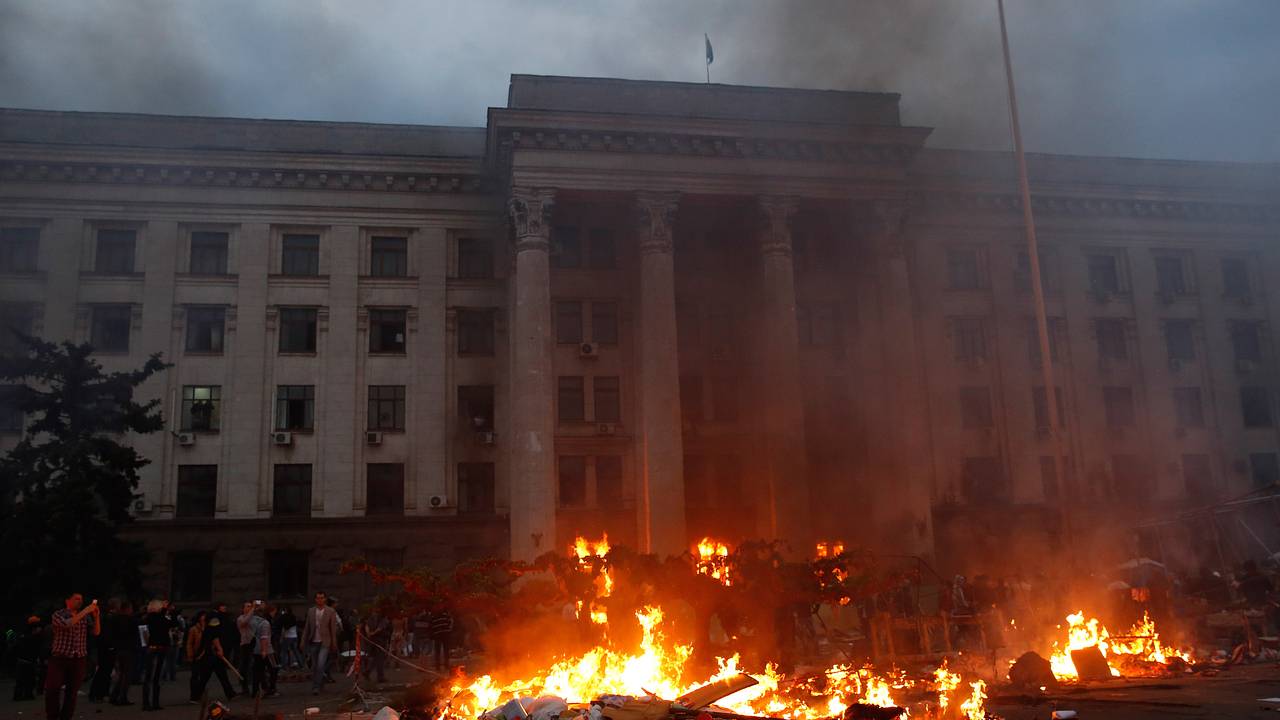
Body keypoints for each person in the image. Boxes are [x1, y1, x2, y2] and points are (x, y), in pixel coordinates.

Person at [45, 592, 101, 720]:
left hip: (78, 658)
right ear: (67, 600)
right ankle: (52, 716)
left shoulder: (85, 616)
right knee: (53, 689)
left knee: (72, 692)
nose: (80, 601)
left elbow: (96, 632)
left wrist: (96, 617)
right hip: (60, 658)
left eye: (81, 599)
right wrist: (86, 611)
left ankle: (66, 717)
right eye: (76, 599)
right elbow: (67, 624)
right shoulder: (58, 615)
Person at [189, 615, 236, 702]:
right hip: (209, 658)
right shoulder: (210, 632)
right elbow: (215, 641)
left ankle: (230, 693)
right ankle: (195, 696)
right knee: (206, 678)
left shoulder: (208, 631)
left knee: (221, 676)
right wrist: (220, 650)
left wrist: (219, 650)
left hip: (212, 658)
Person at [301, 591, 339, 695]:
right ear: (315, 599)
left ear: (325, 599)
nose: (320, 600)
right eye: (318, 598)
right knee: (315, 665)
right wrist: (303, 641)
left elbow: (333, 628)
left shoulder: (330, 611)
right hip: (313, 640)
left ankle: (316, 687)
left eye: (322, 598)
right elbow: (307, 627)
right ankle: (319, 684)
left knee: (320, 664)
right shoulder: (311, 611)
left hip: (325, 641)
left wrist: (334, 642)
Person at [141, 598, 173, 711]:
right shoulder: (154, 618)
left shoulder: (149, 618)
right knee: (152, 677)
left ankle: (152, 702)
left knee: (154, 677)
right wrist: (165, 609)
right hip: (156, 648)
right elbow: (168, 622)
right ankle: (149, 703)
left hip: (155, 648)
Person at [87, 599, 120, 703]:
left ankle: (100, 692)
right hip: (107, 647)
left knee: (104, 670)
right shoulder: (109, 618)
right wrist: (111, 645)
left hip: (104, 646)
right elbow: (107, 633)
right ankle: (98, 693)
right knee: (104, 670)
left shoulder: (104, 618)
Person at [108, 600, 137, 706]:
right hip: (128, 649)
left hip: (118, 649)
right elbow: (134, 634)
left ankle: (114, 696)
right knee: (127, 674)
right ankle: (122, 697)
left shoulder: (114, 619)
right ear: (128, 609)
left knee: (121, 673)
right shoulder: (131, 620)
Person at [249, 604, 278, 697]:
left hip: (255, 649)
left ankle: (256, 691)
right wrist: (264, 650)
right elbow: (264, 637)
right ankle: (270, 689)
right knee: (273, 668)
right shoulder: (265, 623)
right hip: (266, 650)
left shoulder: (252, 621)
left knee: (258, 671)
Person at [12, 615, 43, 701]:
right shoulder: (31, 636)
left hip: (23, 659)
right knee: (28, 679)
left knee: (23, 679)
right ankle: (26, 694)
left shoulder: (23, 634)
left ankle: (21, 695)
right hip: (28, 660)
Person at [362, 608, 391, 685]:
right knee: (380, 659)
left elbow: (367, 626)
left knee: (375, 659)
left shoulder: (370, 618)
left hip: (372, 640)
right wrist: (372, 633)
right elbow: (380, 628)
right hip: (379, 640)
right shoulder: (383, 619)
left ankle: (367, 672)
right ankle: (380, 677)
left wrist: (369, 634)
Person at [185, 612, 206, 702]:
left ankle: (200, 694)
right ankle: (194, 696)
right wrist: (190, 654)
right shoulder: (194, 629)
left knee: (203, 676)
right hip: (196, 654)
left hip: (206, 654)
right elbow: (189, 643)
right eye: (203, 616)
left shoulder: (208, 628)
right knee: (195, 675)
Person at [235, 601, 255, 695]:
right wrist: (253, 609)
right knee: (244, 666)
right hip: (245, 644)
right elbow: (244, 622)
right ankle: (244, 687)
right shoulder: (240, 618)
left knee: (254, 665)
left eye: (250, 606)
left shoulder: (254, 618)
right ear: (243, 609)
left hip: (254, 643)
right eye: (247, 606)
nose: (249, 608)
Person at [430, 606, 455, 671]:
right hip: (443, 635)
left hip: (439, 636)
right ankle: (443, 665)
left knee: (440, 651)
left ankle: (440, 666)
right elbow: (451, 623)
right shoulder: (445, 616)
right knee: (444, 651)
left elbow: (431, 627)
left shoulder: (434, 617)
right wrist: (449, 630)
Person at [277, 605, 302, 670]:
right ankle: (301, 664)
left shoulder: (284, 617)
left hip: (287, 636)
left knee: (284, 651)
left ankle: (284, 665)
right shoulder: (293, 617)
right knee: (295, 651)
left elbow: (283, 627)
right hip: (295, 636)